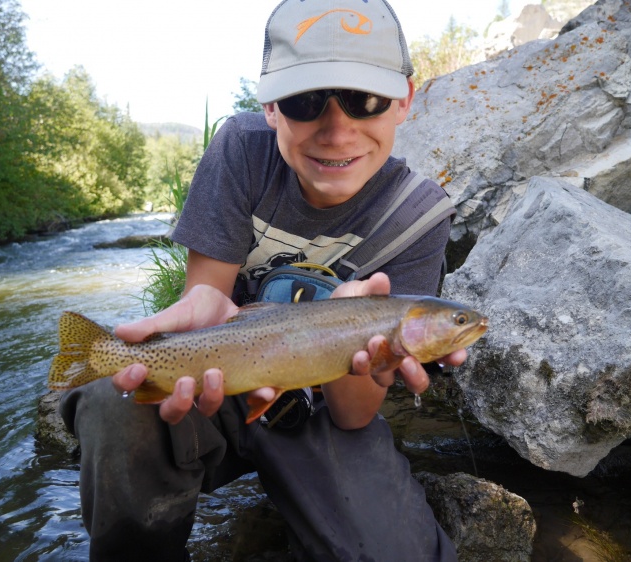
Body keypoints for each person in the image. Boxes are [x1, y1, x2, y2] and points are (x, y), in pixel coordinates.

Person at [60, 0, 466, 560]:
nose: (337, 130)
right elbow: (205, 302)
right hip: (218, 384)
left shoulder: (419, 216)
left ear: (404, 101)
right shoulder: (241, 150)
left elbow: (353, 413)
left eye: (365, 100)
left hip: (324, 414)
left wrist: (358, 345)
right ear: (271, 106)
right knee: (113, 397)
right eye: (305, 102)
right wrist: (200, 304)